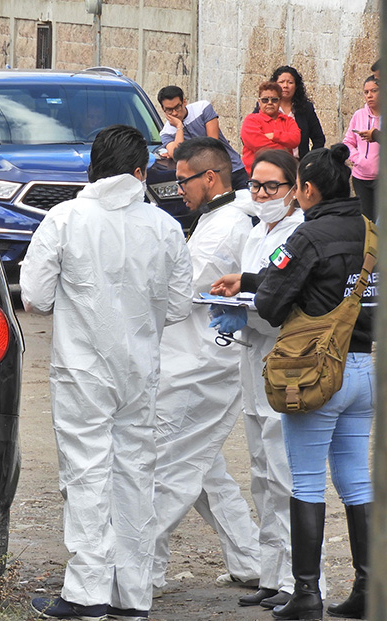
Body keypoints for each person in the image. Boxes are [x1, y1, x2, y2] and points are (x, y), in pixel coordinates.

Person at [22, 125, 193, 621]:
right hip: (139, 370)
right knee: (135, 475)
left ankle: (87, 591)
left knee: (86, 474)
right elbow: (180, 305)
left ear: (91, 169)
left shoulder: (65, 218)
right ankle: (131, 597)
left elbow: (34, 296)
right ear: (141, 172)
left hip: (83, 370)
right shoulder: (163, 226)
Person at [212, 145, 376, 621]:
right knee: (354, 480)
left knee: (302, 480)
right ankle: (367, 588)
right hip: (364, 369)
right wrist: (248, 276)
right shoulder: (372, 234)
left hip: (315, 375)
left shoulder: (307, 235)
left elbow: (272, 302)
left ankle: (306, 593)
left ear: (306, 189)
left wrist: (252, 292)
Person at [151, 137, 261, 596]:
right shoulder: (216, 219)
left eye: (183, 183)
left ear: (210, 177)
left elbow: (179, 287)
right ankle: (251, 558)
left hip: (202, 363)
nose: (179, 192)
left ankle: (139, 570)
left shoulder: (225, 226)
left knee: (168, 465)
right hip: (191, 357)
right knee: (203, 467)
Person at [220, 149, 306, 611]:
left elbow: (282, 300)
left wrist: (248, 303)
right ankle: (272, 576)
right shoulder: (256, 232)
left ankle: (299, 579)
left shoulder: (299, 235)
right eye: (255, 185)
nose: (261, 194)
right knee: (259, 470)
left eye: (271, 186)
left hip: (284, 359)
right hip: (252, 357)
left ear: (293, 189)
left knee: (284, 470)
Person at [157, 85, 248, 190]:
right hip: (207, 180)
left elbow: (213, 144)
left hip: (233, 169)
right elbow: (178, 156)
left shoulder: (202, 108)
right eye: (169, 110)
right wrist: (179, 127)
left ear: (184, 102)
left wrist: (188, 151)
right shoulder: (166, 133)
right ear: (162, 110)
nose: (174, 113)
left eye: (177, 107)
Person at [252, 66, 326, 159]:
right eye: (281, 82)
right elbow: (250, 136)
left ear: (296, 86)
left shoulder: (306, 108)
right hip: (270, 161)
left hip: (299, 164)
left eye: (290, 82)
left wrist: (311, 161)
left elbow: (318, 138)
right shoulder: (265, 106)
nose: (285, 86)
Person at [241, 81, 301, 173]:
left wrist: (274, 136)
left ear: (280, 102)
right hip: (255, 176)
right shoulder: (251, 120)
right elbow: (257, 144)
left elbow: (295, 139)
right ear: (259, 102)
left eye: (274, 100)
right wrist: (284, 150)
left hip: (284, 174)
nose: (270, 103)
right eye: (265, 100)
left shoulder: (288, 121)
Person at [343, 76, 379, 220]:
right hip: (361, 176)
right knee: (366, 219)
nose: (369, 95)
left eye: (374, 91)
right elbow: (348, 141)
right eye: (366, 92)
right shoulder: (359, 115)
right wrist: (357, 158)